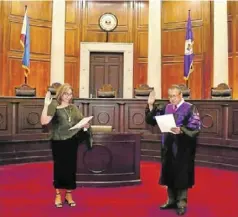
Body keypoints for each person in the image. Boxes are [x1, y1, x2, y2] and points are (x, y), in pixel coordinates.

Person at [145, 85, 201, 216]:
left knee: (181, 174)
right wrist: (151, 105)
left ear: (181, 95)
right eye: (169, 96)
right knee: (169, 171)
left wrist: (181, 130)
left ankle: (181, 202)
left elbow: (195, 126)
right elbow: (151, 120)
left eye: (174, 96)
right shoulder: (167, 107)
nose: (171, 99)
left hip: (183, 146)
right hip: (168, 145)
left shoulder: (190, 107)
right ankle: (171, 200)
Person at [40, 83, 93, 208]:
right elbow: (44, 121)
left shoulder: (73, 108)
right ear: (60, 94)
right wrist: (46, 106)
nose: (68, 96)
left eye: (70, 94)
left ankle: (69, 194)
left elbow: (81, 121)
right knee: (59, 168)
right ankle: (58, 194)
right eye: (66, 94)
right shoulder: (54, 106)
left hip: (71, 141)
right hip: (58, 141)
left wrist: (85, 126)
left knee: (70, 168)